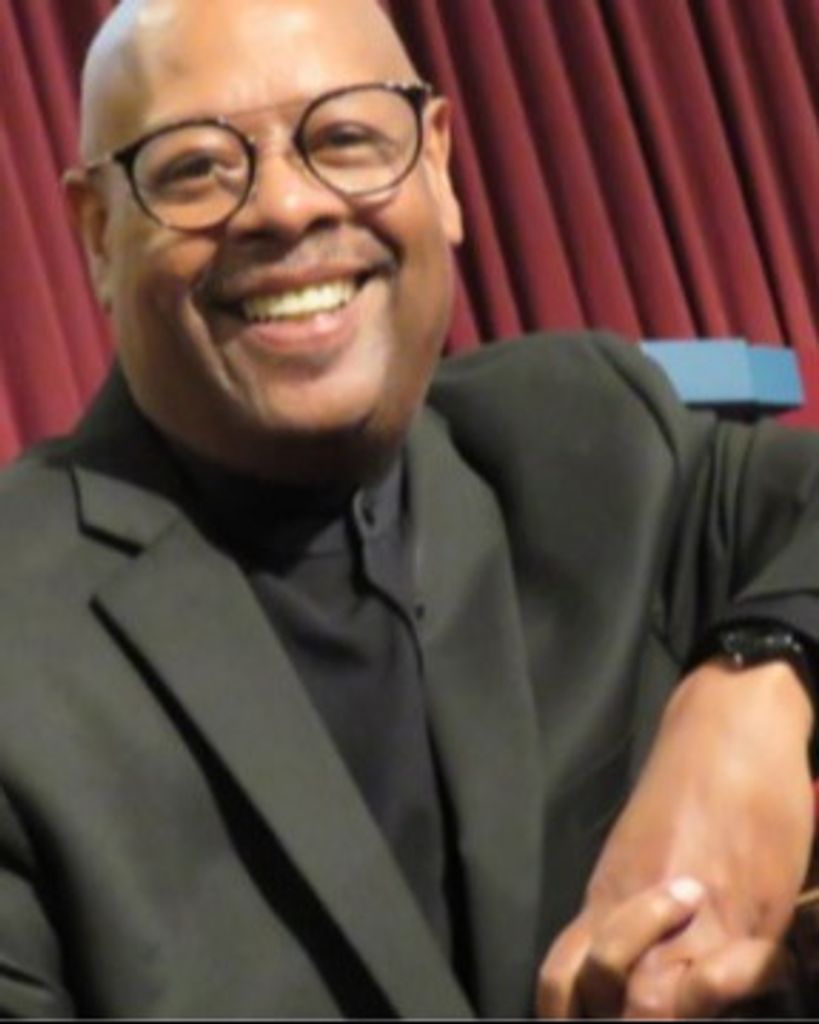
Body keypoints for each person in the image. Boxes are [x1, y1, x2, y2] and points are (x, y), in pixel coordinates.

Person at [0, 0, 816, 1016]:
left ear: (436, 163)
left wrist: (755, 686)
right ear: (96, 233)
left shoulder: (586, 436)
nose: (286, 206)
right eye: (196, 167)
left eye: (345, 136)